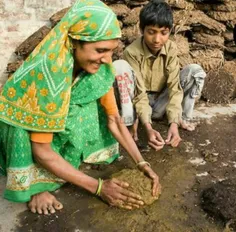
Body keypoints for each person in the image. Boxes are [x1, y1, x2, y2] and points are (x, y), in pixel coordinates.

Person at [0, 0, 161, 215]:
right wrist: (99, 188)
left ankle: (54, 170)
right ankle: (35, 185)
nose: (106, 59)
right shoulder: (49, 76)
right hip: (24, 132)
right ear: (74, 42)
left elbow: (114, 119)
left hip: (51, 127)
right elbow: (41, 151)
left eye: (111, 51)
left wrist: (142, 163)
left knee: (88, 110)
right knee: (25, 137)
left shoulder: (101, 67)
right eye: (100, 50)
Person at [113, 0, 206, 150]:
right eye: (151, 32)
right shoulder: (131, 52)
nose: (157, 40)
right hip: (138, 103)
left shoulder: (171, 48)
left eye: (163, 33)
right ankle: (130, 123)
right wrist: (148, 129)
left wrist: (173, 124)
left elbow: (174, 87)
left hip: (161, 102)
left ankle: (182, 119)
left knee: (194, 71)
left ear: (169, 31)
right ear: (142, 29)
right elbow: (139, 93)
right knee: (119, 67)